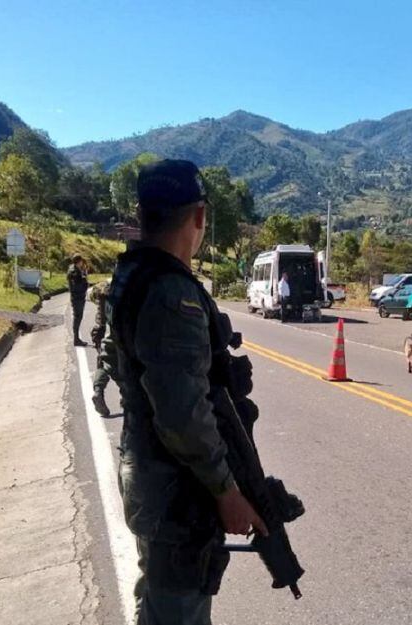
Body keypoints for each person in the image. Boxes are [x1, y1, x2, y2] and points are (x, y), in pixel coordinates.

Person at [109, 159, 266, 625]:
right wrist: (226, 489)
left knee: (158, 597)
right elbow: (182, 412)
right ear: (198, 217)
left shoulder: (133, 275)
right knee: (177, 607)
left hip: (151, 476)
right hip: (175, 490)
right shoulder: (170, 292)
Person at [89, 280, 115, 417]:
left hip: (102, 331)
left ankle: (98, 391)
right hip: (114, 332)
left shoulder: (102, 293)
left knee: (103, 363)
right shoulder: (120, 287)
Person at [67, 255, 90, 346]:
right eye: (81, 262)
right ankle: (76, 339)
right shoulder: (75, 272)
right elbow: (79, 285)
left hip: (77, 297)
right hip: (78, 298)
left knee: (78, 317)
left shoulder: (73, 269)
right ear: (79, 261)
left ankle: (76, 339)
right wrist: (84, 277)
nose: (82, 263)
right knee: (78, 317)